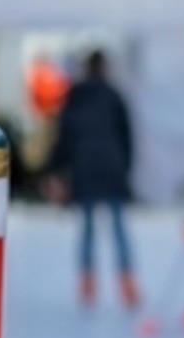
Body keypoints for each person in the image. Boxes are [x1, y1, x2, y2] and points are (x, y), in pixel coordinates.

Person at [43, 50, 138, 308]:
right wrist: (126, 168)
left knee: (87, 229)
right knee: (119, 228)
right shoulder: (114, 95)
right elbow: (127, 136)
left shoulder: (76, 96)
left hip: (84, 168)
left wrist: (53, 169)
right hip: (112, 167)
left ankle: (88, 285)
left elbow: (64, 136)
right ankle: (127, 284)